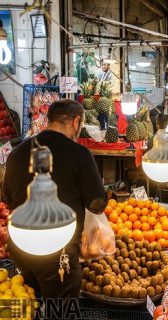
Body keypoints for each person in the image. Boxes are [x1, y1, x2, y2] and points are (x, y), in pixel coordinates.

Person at [3, 99, 106, 301]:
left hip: (21, 248)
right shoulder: (79, 154)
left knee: (29, 303)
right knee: (61, 311)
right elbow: (97, 203)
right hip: (58, 252)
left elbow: (7, 197)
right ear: (76, 122)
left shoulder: (17, 153)